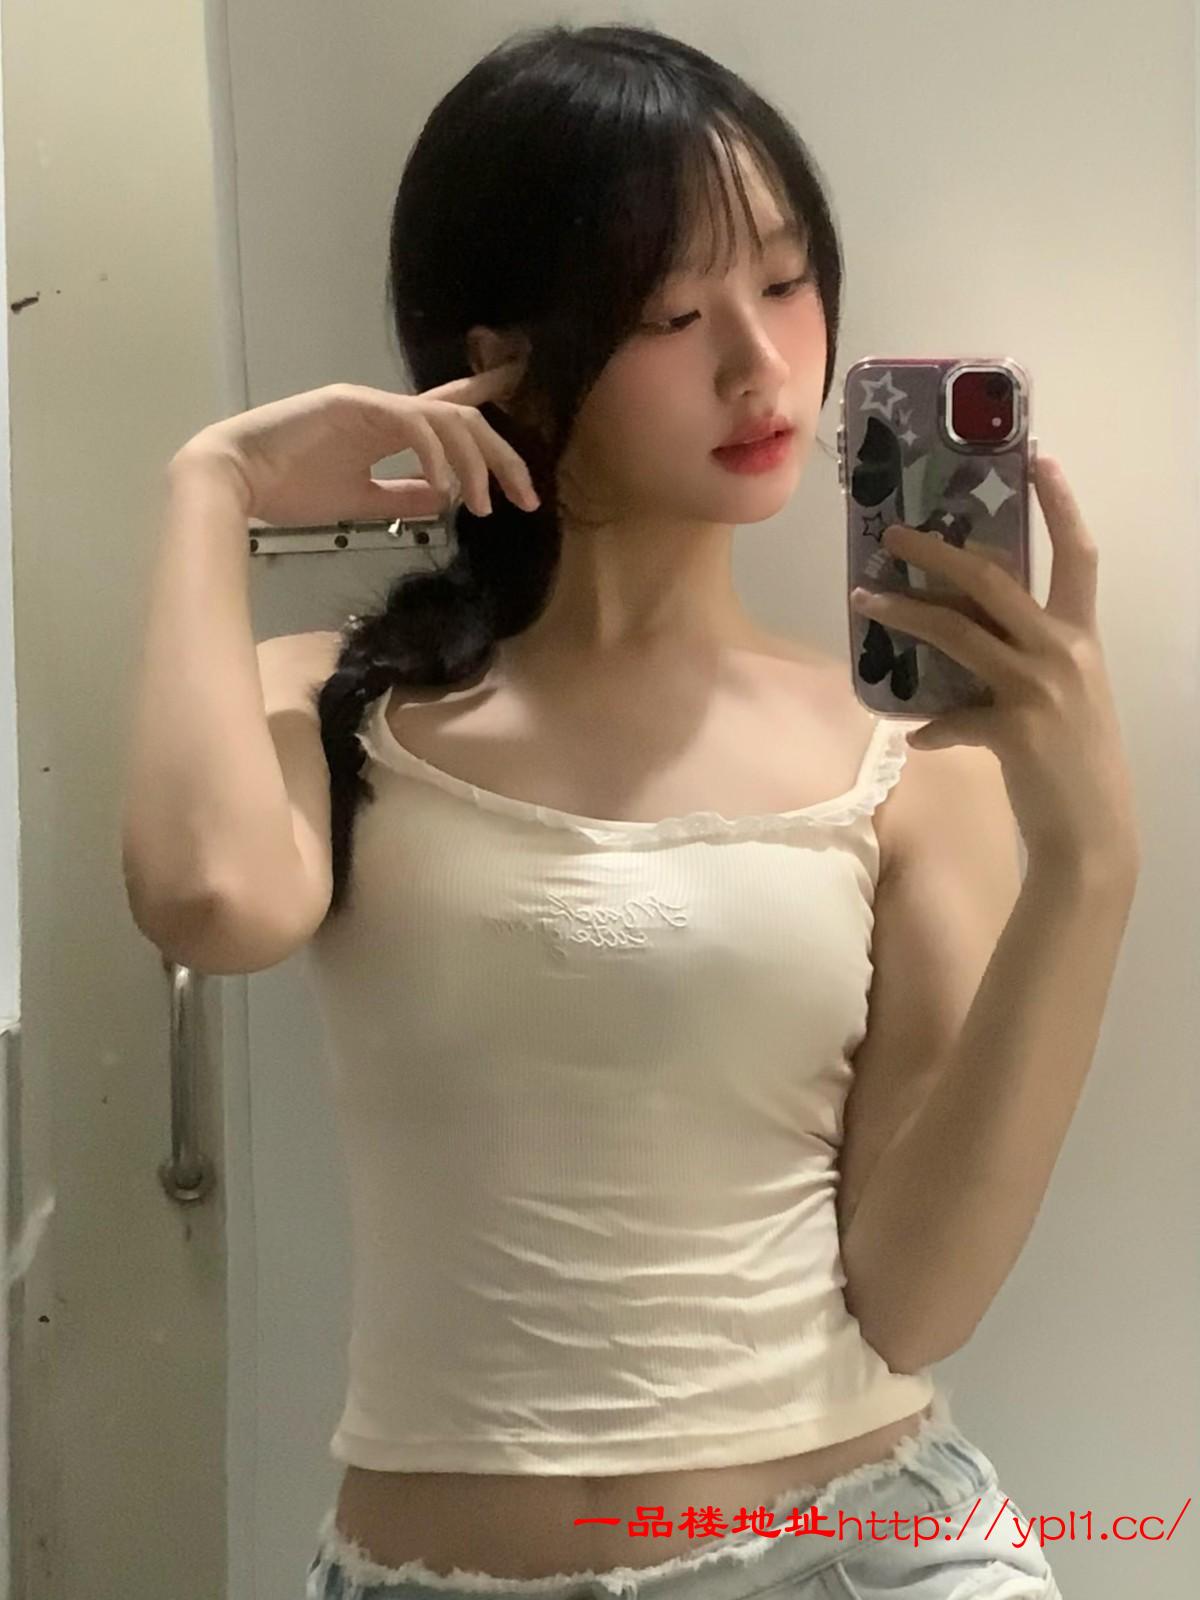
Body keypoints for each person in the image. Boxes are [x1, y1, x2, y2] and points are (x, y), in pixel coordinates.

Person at [123, 20, 1075, 1600]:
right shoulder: (336, 700)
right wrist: (208, 485)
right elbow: (210, 901)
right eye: (670, 315)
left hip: (866, 1557)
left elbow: (918, 1301)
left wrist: (1095, 854)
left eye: (786, 283)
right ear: (505, 356)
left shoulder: (906, 754)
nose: (760, 366)